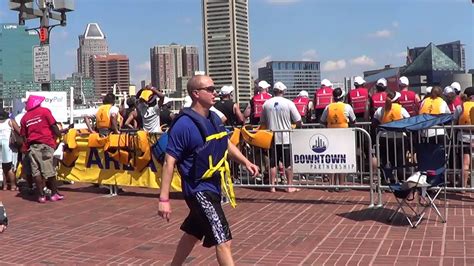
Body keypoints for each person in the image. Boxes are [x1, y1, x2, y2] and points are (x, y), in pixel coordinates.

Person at [158, 75, 259, 265]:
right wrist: (164, 199)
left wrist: (246, 161)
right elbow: (168, 162)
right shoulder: (183, 125)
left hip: (213, 186)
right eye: (210, 89)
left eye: (215, 89)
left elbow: (225, 142)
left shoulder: (213, 118)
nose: (215, 93)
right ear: (196, 94)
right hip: (198, 190)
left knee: (193, 233)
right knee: (223, 239)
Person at [20, 95, 65, 203]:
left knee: (36, 172)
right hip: (45, 144)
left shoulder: (24, 118)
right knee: (49, 170)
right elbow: (54, 126)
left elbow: (23, 136)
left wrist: (26, 147)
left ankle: (41, 196)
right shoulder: (45, 111)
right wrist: (59, 135)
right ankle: (54, 194)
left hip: (32, 147)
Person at [260, 81, 302, 193]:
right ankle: (289, 186)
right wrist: (295, 126)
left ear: (273, 91)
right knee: (287, 163)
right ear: (283, 91)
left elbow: (262, 122)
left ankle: (272, 186)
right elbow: (298, 120)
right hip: (285, 137)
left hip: (271, 137)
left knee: (273, 163)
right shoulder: (288, 103)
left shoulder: (266, 104)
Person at [320, 88, 356, 191]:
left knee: (331, 160)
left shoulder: (328, 107)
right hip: (343, 136)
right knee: (342, 161)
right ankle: (341, 184)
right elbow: (353, 120)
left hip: (331, 136)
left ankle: (331, 185)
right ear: (343, 97)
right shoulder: (347, 107)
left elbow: (322, 121)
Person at [372, 91, 410, 170]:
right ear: (396, 99)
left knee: (385, 159)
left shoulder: (380, 110)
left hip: (384, 138)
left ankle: (386, 177)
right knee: (399, 159)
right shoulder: (402, 110)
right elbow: (409, 121)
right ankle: (400, 177)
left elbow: (374, 123)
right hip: (399, 138)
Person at [453, 86, 474, 192]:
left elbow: (454, 121)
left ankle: (463, 187)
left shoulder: (460, 107)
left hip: (464, 136)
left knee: (465, 163)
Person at [0, 109, 17, 191]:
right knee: (10, 167)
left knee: (3, 167)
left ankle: (5, 186)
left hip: (0, 147)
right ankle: (13, 186)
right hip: (9, 147)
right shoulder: (10, 121)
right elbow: (20, 131)